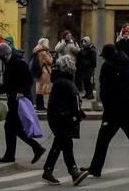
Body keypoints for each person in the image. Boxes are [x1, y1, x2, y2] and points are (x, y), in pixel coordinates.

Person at [83, 44, 129, 177]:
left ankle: (96, 167)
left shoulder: (108, 67)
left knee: (103, 140)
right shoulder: (128, 64)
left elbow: (104, 89)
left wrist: (107, 105)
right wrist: (128, 94)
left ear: (107, 56)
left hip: (113, 110)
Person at [0, 43, 46, 164]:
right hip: (13, 100)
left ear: (6, 54)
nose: (1, 59)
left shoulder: (19, 63)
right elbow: (7, 85)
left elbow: (28, 79)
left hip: (19, 100)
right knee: (12, 128)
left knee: (12, 127)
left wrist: (21, 91)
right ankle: (32, 149)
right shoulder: (10, 63)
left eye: (2, 56)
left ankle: (34, 148)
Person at [41, 56, 89, 186]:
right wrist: (77, 114)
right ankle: (74, 172)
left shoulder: (60, 81)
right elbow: (71, 103)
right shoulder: (65, 83)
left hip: (59, 117)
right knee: (66, 145)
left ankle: (48, 170)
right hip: (63, 119)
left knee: (59, 144)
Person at [33, 38, 54, 111]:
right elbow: (50, 61)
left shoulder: (37, 51)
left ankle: (39, 105)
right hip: (44, 72)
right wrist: (50, 55)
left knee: (40, 89)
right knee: (42, 90)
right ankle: (41, 106)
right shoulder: (44, 52)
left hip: (40, 71)